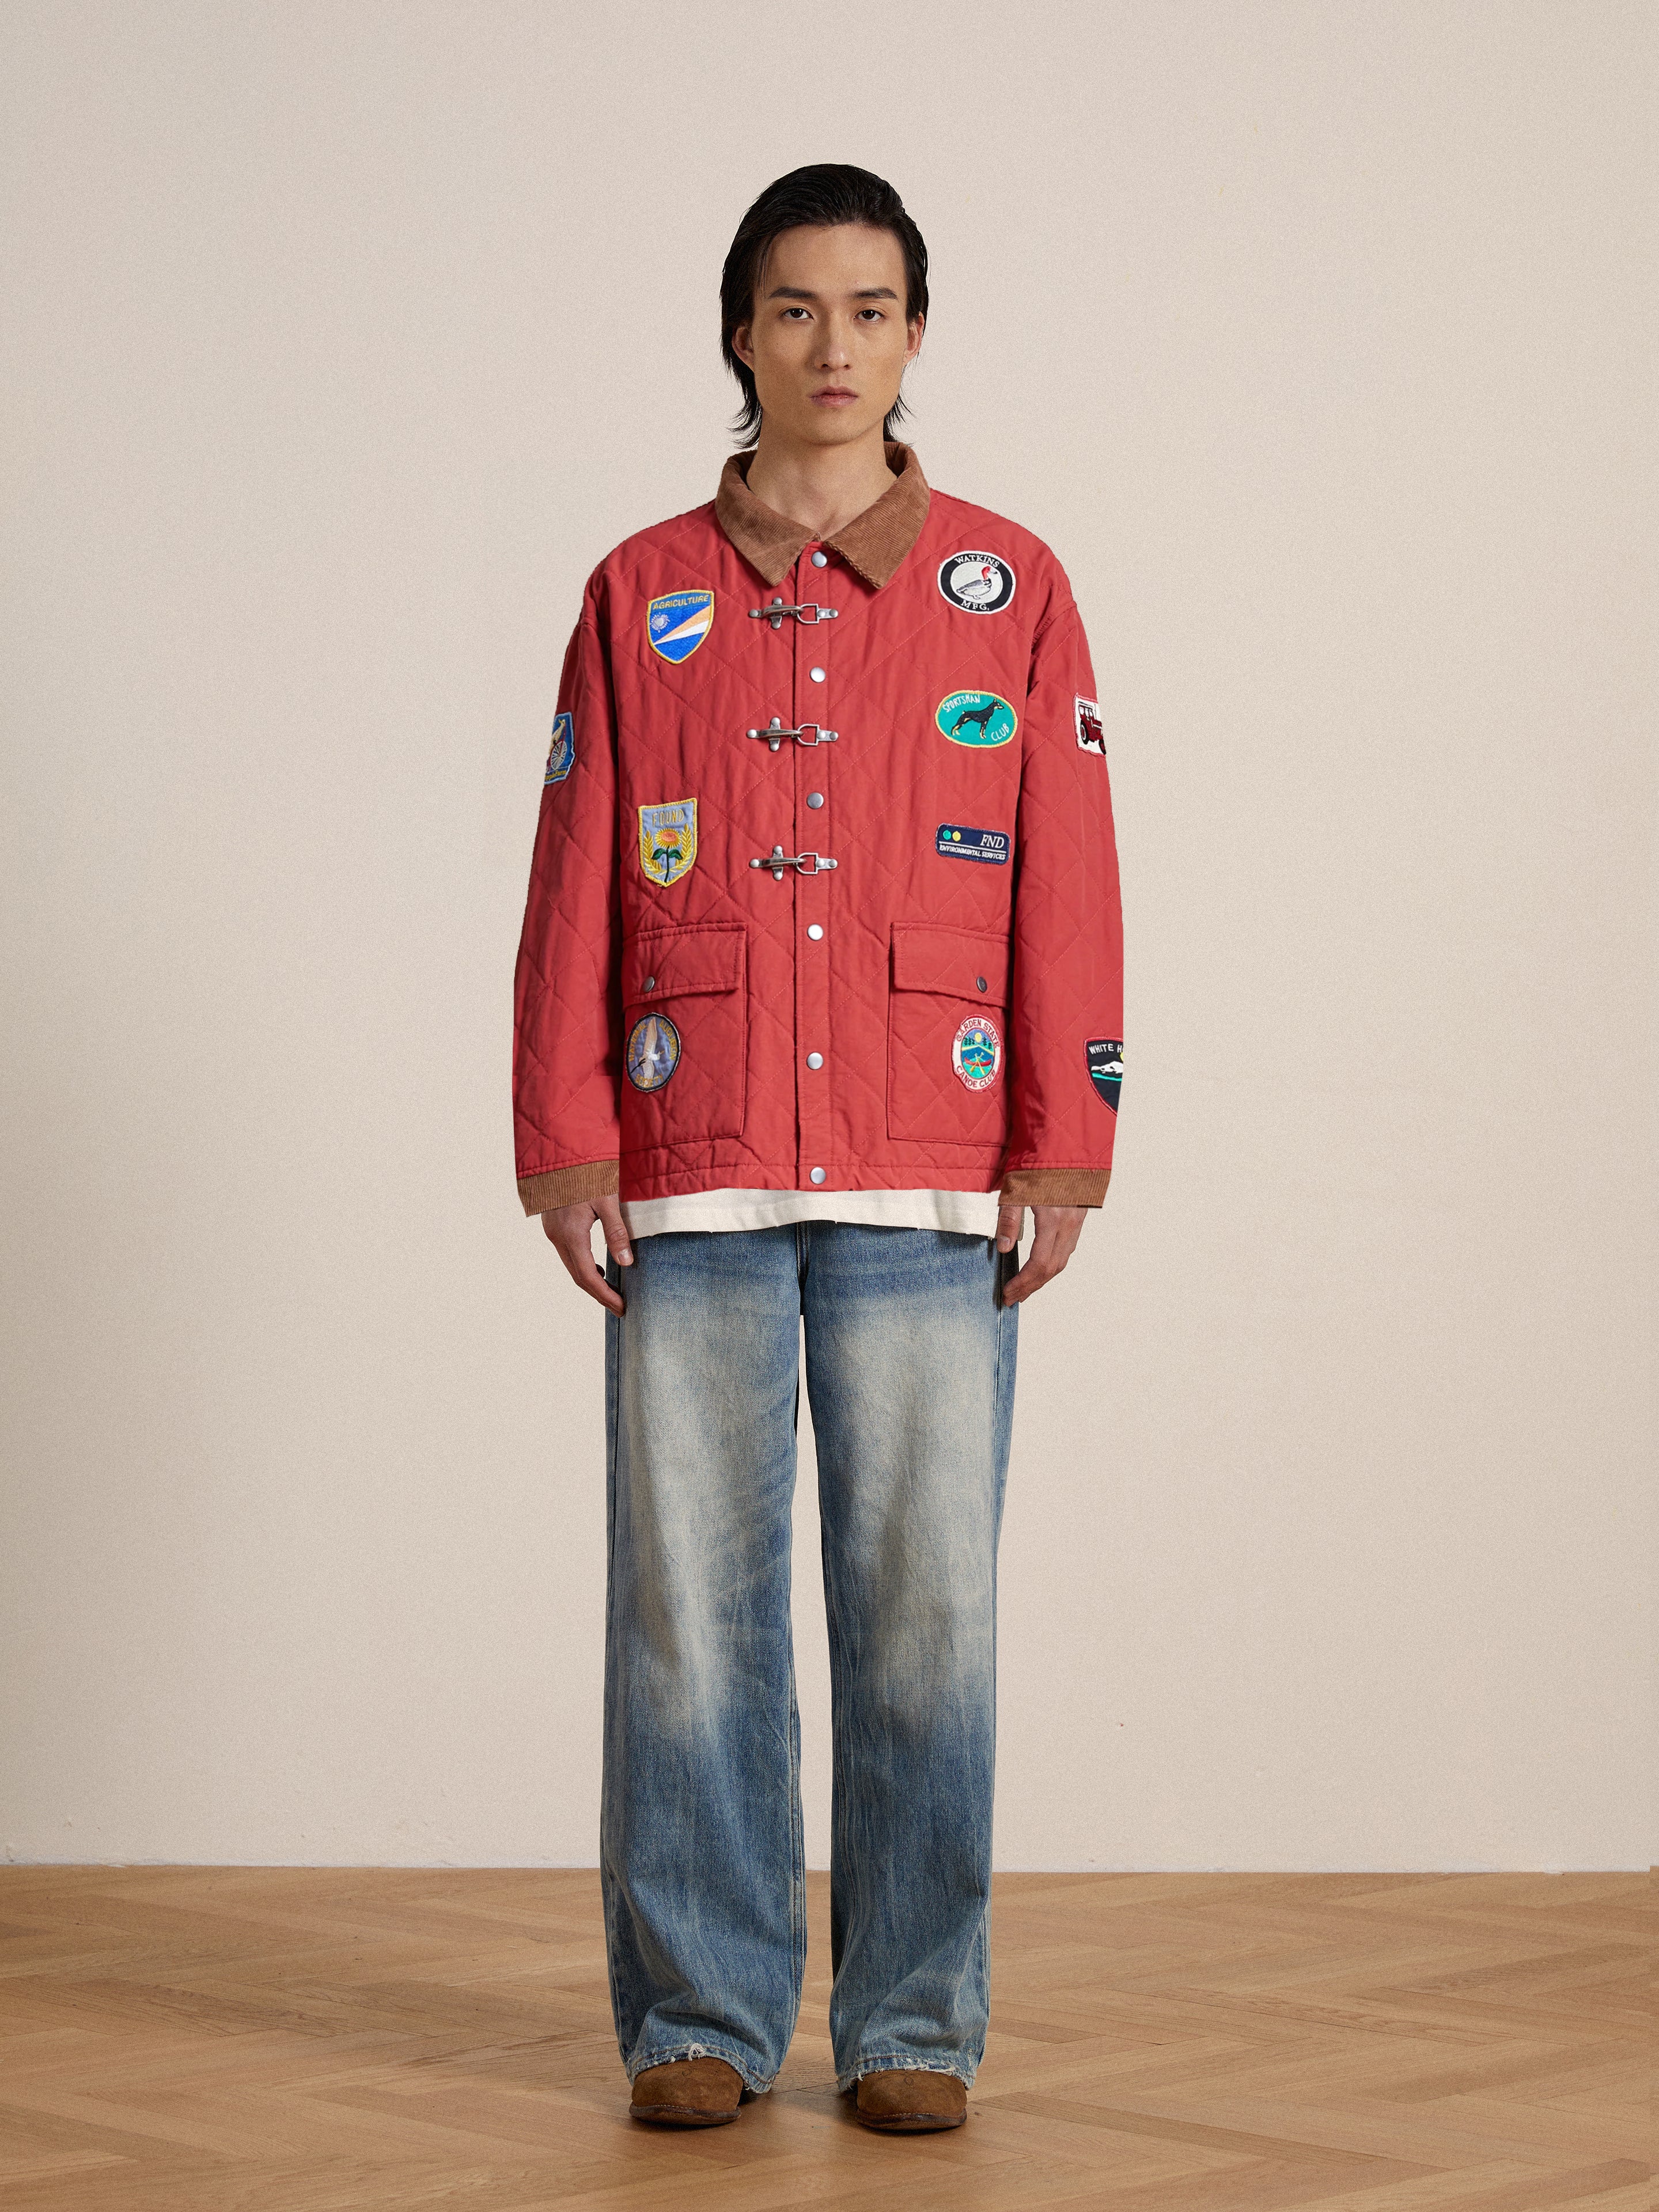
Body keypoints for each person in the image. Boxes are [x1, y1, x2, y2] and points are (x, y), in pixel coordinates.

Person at [512, 164, 1123, 2135]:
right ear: (741, 333)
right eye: (795, 310)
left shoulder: (1008, 588)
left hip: (934, 1168)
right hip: (687, 1163)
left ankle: (915, 2021)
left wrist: (1068, 1134)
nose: (833, 348)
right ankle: (697, 2004)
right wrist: (564, 1135)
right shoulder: (638, 590)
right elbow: (578, 867)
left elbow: (1068, 882)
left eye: (870, 310)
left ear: (917, 334)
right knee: (687, 1602)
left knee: (925, 1593)